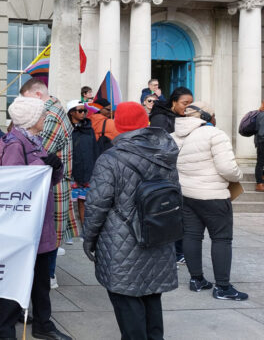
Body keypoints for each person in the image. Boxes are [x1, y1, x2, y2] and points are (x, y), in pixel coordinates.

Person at [83, 101, 178, 340]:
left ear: (118, 124)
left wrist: (89, 239)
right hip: (158, 233)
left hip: (122, 238)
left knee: (126, 298)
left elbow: (96, 204)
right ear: (144, 122)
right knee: (151, 294)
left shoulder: (110, 158)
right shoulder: (166, 152)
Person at [0, 96, 70, 340]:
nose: (45, 118)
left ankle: (44, 324)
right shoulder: (15, 143)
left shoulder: (34, 140)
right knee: (17, 278)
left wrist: (54, 168)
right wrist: (42, 168)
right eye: (42, 115)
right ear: (32, 119)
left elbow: (48, 181)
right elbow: (13, 185)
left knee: (42, 280)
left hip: (40, 223)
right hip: (24, 226)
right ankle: (6, 331)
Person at [172, 102, 248, 301]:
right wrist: (238, 175)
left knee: (191, 235)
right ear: (207, 116)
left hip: (186, 194)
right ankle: (222, 287)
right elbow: (227, 169)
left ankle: (197, 280)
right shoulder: (215, 134)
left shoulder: (174, 136)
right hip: (212, 195)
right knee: (222, 239)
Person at [21, 78, 78, 289]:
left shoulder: (51, 115)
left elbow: (39, 150)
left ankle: (49, 276)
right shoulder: (53, 110)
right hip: (51, 180)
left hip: (52, 183)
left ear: (37, 95)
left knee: (49, 234)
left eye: (26, 101)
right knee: (49, 232)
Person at [149, 86, 193, 264]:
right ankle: (174, 252)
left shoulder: (185, 118)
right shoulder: (161, 118)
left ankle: (179, 251)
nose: (188, 107)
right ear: (174, 102)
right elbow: (159, 146)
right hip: (165, 172)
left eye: (191, 104)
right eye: (185, 103)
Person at [67, 99, 98, 227]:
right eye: (80, 110)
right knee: (68, 202)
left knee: (83, 201)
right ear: (71, 113)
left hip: (87, 170)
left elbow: (94, 149)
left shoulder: (89, 128)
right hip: (71, 171)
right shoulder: (67, 130)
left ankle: (85, 229)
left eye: (84, 111)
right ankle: (68, 231)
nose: (83, 113)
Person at [254, 101, 264, 192]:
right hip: (262, 142)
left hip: (260, 141)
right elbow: (261, 131)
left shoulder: (259, 114)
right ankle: (259, 184)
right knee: (260, 163)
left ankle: (261, 179)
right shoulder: (262, 115)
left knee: (260, 162)